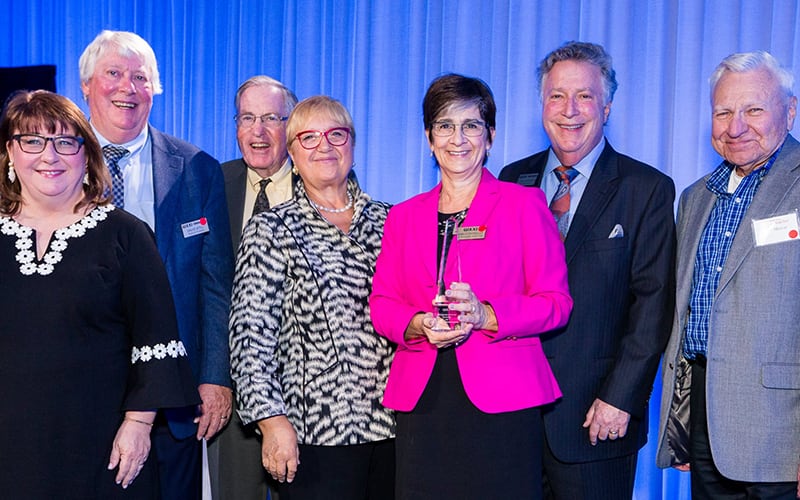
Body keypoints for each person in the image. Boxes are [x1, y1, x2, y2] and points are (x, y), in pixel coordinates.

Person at [370, 73, 573, 499]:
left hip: (503, 401)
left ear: (491, 136)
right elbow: (383, 305)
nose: (457, 138)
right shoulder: (403, 216)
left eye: (471, 125)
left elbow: (555, 303)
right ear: (428, 138)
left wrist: (487, 314)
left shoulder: (525, 205)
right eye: (444, 125)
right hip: (423, 399)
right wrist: (418, 323)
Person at [0, 90, 200, 499]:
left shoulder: (125, 234)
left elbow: (156, 340)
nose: (49, 156)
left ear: (86, 154)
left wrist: (139, 424)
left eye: (64, 142)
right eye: (32, 140)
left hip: (104, 447)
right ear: (10, 153)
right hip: (10, 443)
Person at [499, 41, 675, 500]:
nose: (569, 110)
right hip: (512, 417)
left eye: (585, 96)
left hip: (597, 418)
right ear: (541, 104)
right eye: (557, 95)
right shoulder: (509, 180)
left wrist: (621, 398)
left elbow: (653, 307)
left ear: (608, 105)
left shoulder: (647, 189)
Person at [79, 30, 235, 498]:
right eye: (114, 74)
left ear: (155, 90)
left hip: (174, 396)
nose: (127, 87)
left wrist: (214, 377)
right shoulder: (53, 164)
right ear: (86, 85)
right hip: (82, 388)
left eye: (141, 78)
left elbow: (214, 285)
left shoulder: (196, 168)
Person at [230, 95, 396, 499]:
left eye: (336, 134)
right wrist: (271, 422)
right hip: (315, 436)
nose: (324, 146)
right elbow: (250, 338)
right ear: (291, 151)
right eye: (308, 137)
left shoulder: (394, 221)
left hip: (397, 429)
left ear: (353, 145)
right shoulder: (270, 229)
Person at [656, 51, 800, 500]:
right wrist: (681, 420)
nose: (735, 126)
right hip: (706, 422)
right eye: (723, 111)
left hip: (781, 431)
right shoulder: (696, 197)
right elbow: (686, 312)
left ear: (790, 110)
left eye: (753, 109)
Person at [209, 75, 298, 500]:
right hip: (232, 388)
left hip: (304, 393)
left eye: (270, 119)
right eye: (247, 118)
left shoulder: (318, 184)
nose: (257, 131)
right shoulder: (210, 182)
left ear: (291, 126)